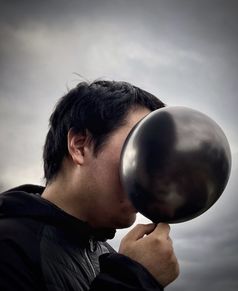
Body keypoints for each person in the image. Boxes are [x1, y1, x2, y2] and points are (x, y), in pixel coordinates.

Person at [0, 80, 179, 291]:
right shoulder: (8, 247)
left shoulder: (110, 257)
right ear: (80, 145)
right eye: (141, 149)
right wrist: (132, 279)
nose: (151, 174)